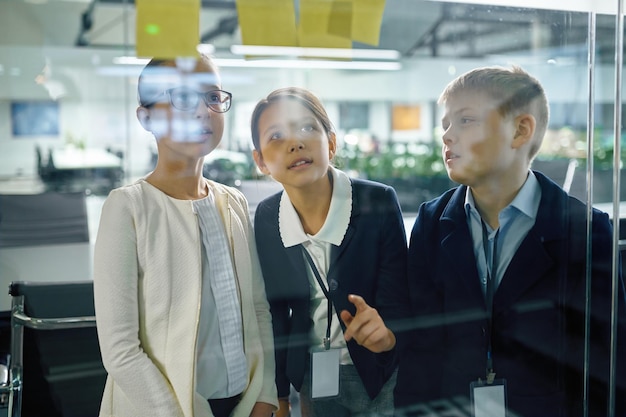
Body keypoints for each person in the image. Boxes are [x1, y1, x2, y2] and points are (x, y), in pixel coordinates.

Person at [395, 65, 626, 417]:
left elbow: (608, 360)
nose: (447, 136)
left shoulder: (586, 230)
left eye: (465, 120)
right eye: (445, 125)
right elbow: (420, 347)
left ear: (520, 130)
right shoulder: (432, 221)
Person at [93, 54, 278, 417]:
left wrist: (265, 394)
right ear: (146, 117)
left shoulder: (234, 202)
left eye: (213, 97)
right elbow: (120, 351)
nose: (203, 111)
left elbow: (258, 309)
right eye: (182, 97)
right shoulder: (128, 207)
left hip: (241, 404)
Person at [250, 87, 409, 417]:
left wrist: (388, 335)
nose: (295, 143)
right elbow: (275, 314)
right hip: (310, 375)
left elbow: (399, 297)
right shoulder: (267, 218)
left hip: (377, 371)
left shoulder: (376, 202)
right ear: (261, 161)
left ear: (332, 143)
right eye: (276, 135)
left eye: (308, 128)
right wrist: (278, 395)